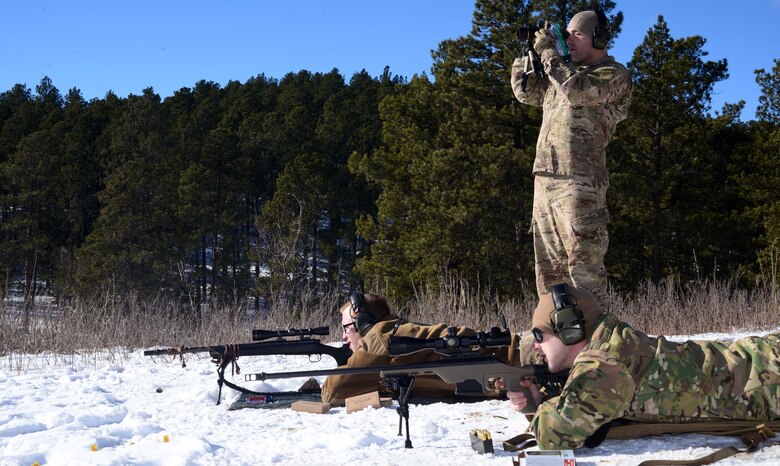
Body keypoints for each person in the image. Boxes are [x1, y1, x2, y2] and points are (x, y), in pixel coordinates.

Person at [505, 282, 780, 450]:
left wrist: (539, 407)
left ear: (570, 329)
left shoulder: (604, 366)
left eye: (539, 334)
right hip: (760, 361)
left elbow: (554, 436)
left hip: (769, 380)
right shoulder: (612, 342)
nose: (537, 345)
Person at [510, 10, 632, 308]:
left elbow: (576, 93)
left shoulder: (612, 74)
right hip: (546, 180)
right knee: (550, 275)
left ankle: (600, 342)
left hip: (581, 183)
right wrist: (528, 53)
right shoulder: (562, 74)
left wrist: (550, 53)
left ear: (599, 38)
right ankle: (558, 345)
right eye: (568, 34)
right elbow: (525, 92)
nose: (570, 40)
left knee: (584, 270)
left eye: (577, 34)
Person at [320, 292, 541, 405]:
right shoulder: (393, 331)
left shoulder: (379, 337)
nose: (343, 336)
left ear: (363, 323)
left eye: (347, 328)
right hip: (522, 361)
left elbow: (333, 392)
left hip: (528, 355)